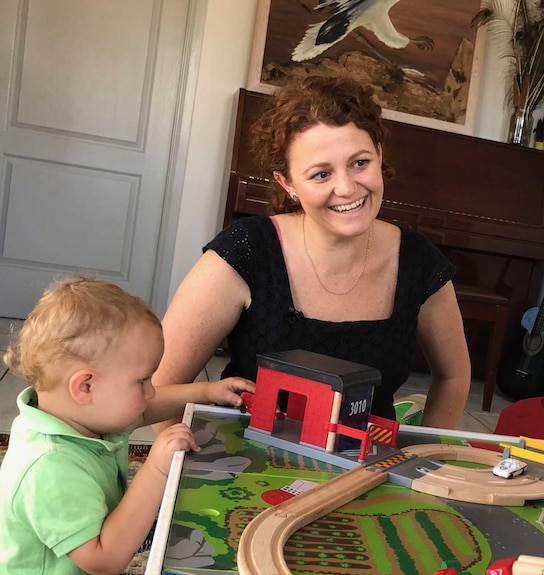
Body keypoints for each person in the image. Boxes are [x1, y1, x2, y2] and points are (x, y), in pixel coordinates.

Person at [151, 75, 471, 432]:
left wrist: (421, 455)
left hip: (369, 468)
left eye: (360, 162)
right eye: (321, 174)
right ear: (287, 183)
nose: (347, 187)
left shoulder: (419, 261)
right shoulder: (246, 251)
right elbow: (162, 390)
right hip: (246, 467)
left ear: (379, 155)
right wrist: (181, 462)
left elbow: (454, 377)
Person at [0, 277, 255, 575]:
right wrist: (155, 469)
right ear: (86, 386)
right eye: (142, 380)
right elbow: (104, 561)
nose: (150, 391)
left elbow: (144, 410)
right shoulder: (49, 468)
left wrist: (205, 392)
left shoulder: (77, 414)